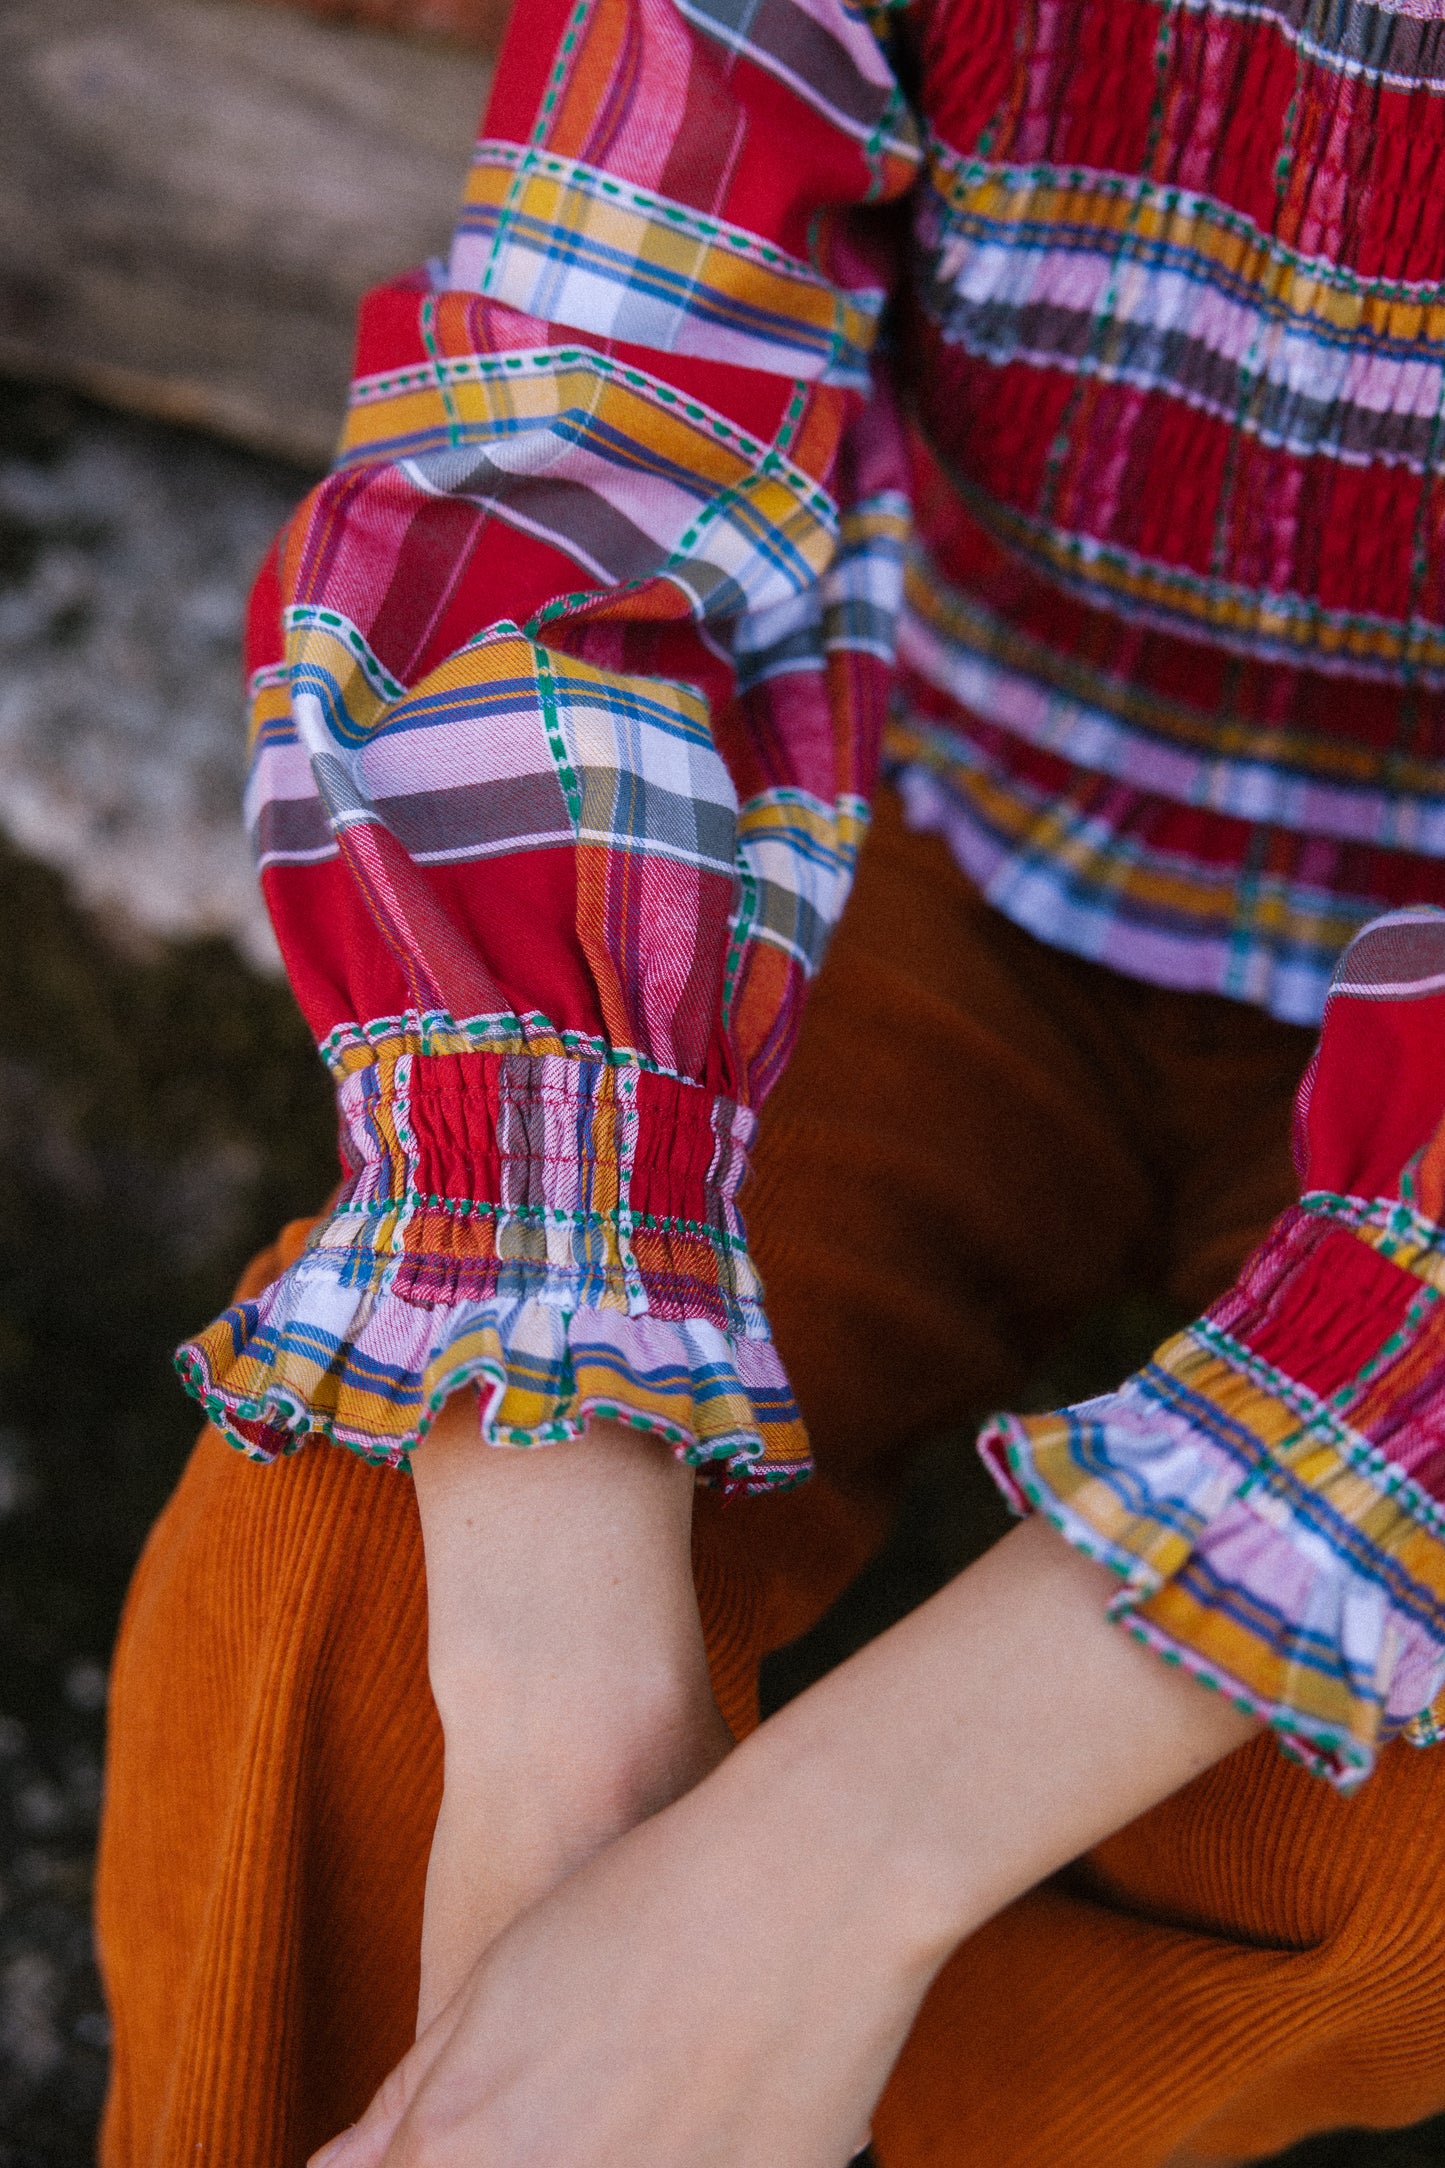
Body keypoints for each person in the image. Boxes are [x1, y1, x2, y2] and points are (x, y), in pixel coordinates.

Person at [95, 0, 1445, 2162]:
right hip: (963, 797)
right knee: (344, 1576)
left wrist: (823, 1873)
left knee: (1401, 1882)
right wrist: (562, 1744)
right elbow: (565, 448)